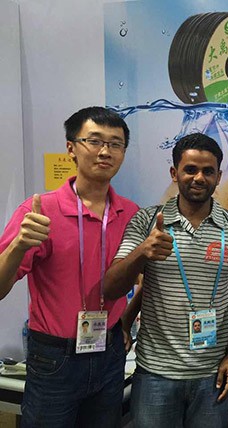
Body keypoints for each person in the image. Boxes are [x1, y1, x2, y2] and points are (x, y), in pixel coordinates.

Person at [0, 106, 139, 427]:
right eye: (94, 140)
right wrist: (19, 245)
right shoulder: (39, 211)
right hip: (55, 357)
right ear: (71, 148)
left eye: (115, 144)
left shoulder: (130, 213)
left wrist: (126, 322)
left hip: (110, 352)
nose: (105, 151)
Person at [103, 132, 228, 428]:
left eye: (208, 171)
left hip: (212, 374)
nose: (199, 178)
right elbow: (111, 287)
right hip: (156, 374)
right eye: (190, 169)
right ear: (174, 173)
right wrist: (143, 251)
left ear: (219, 177)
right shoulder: (147, 221)